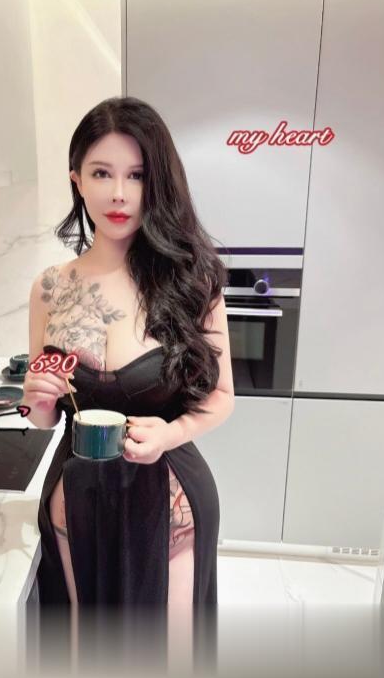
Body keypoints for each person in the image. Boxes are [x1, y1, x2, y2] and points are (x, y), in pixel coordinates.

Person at [23, 96, 234, 671]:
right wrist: (36, 401)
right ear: (77, 180)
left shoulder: (193, 280)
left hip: (168, 499)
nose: (119, 193)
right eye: (101, 173)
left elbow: (221, 398)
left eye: (136, 175)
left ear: (157, 182)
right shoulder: (50, 288)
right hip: (78, 500)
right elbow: (45, 416)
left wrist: (168, 434)